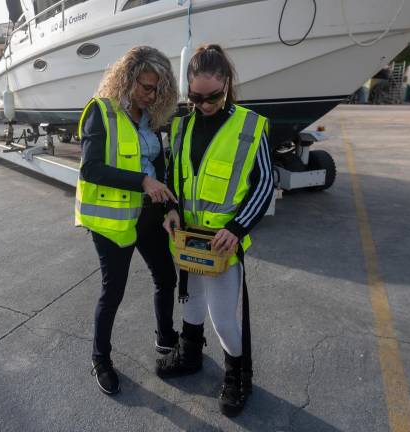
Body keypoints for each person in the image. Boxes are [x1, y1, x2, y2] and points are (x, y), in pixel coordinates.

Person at [156, 44, 274, 417]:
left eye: (213, 97)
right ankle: (191, 355)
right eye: (195, 97)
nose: (204, 105)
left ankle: (237, 375)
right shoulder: (181, 125)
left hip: (224, 243)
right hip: (189, 239)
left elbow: (266, 182)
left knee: (223, 318)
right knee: (190, 303)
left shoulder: (250, 126)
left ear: (227, 84)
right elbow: (172, 175)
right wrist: (171, 208)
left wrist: (237, 228)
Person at [75, 46, 180, 395]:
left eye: (156, 90)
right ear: (127, 78)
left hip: (149, 215)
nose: (150, 95)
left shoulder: (151, 121)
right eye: (145, 87)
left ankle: (166, 343)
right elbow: (90, 169)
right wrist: (141, 182)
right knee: (113, 292)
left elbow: (159, 166)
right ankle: (99, 359)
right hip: (114, 220)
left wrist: (168, 209)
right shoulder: (101, 113)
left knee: (166, 277)